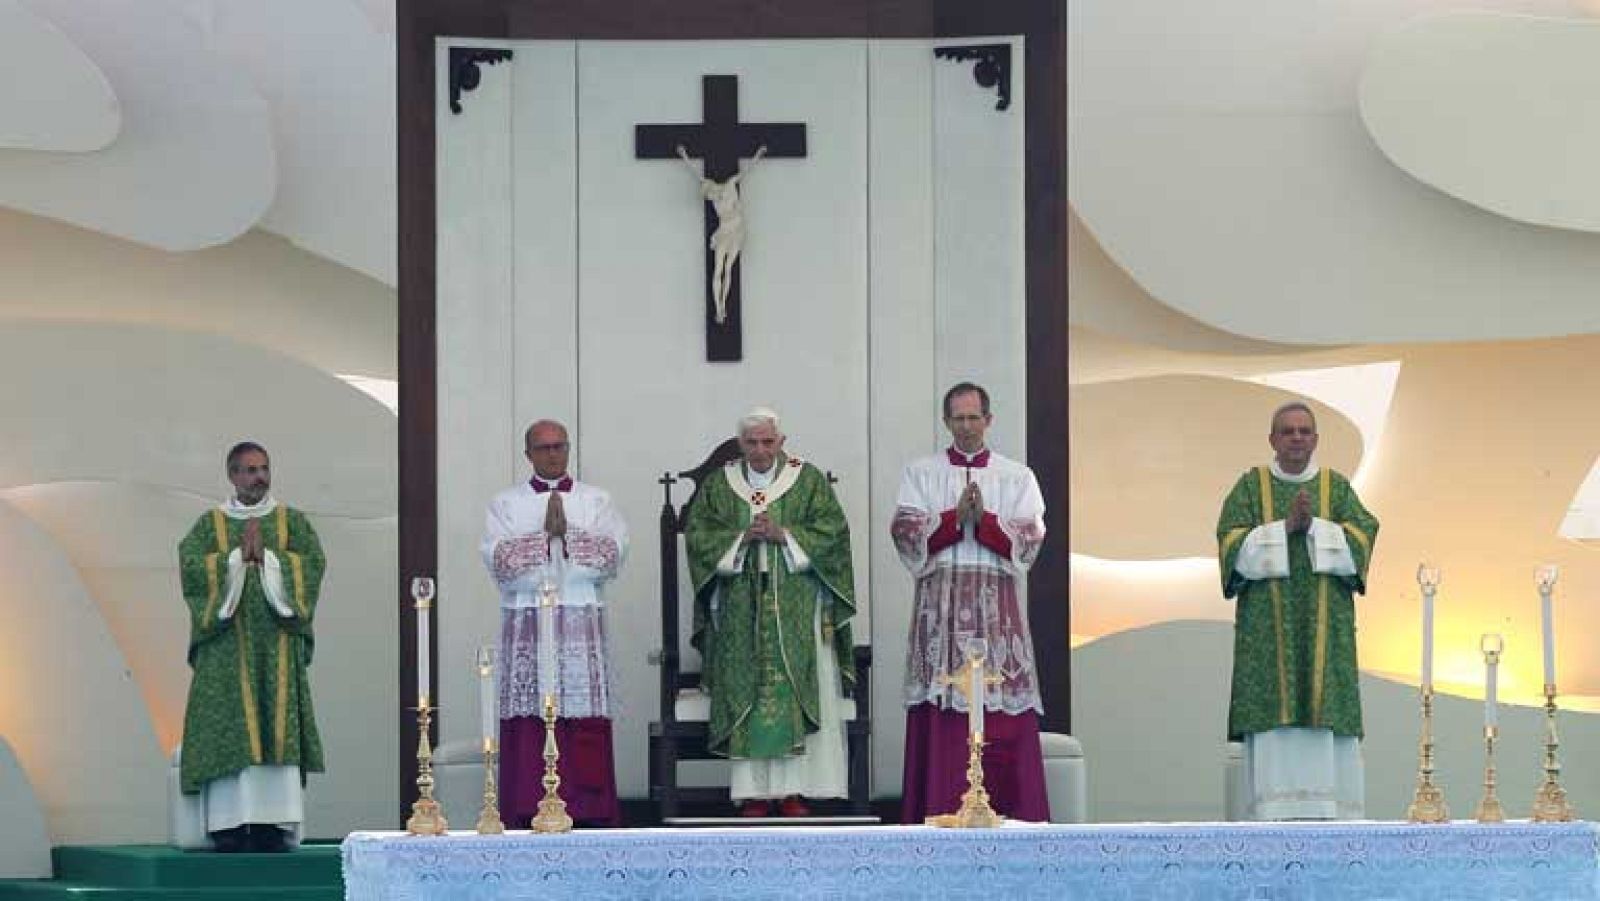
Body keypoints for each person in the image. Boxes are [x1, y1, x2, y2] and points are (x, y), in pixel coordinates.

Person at [684, 407, 855, 817]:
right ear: (739, 444)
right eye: (751, 443)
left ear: (781, 441)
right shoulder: (720, 485)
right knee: (751, 688)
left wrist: (786, 535)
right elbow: (699, 536)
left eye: (767, 442)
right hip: (740, 608)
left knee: (794, 689)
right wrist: (740, 538)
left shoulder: (808, 480)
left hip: (797, 607)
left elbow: (834, 533)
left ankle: (796, 791)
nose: (760, 451)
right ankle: (755, 794)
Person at [891, 382, 1048, 823]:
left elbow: (1030, 541)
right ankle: (938, 807)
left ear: (989, 420)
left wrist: (987, 523)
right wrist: (951, 520)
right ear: (946, 422)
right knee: (943, 704)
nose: (966, 427)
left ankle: (1010, 813)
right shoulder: (921, 473)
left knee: (998, 704)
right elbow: (905, 533)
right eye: (958, 418)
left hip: (995, 611)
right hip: (939, 609)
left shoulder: (1016, 476)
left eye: (973, 417)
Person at [1216, 401, 1379, 820]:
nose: (1296, 439)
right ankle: (1273, 814)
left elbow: (1362, 538)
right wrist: (1283, 529)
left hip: (1327, 638)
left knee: (1325, 718)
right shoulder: (1251, 489)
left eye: (1304, 431)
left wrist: (1316, 529)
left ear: (1316, 439)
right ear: (1272, 439)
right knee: (1275, 727)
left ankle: (1331, 813)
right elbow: (1230, 546)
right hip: (1267, 641)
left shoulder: (1336, 488)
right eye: (1287, 431)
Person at [176, 441, 325, 852]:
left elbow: (312, 563)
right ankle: (228, 824)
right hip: (227, 648)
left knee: (272, 726)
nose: (259, 477)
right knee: (232, 727)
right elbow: (191, 566)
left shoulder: (291, 521)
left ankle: (272, 824)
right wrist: (234, 559)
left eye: (264, 468)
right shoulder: (210, 525)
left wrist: (273, 561)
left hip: (276, 645)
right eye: (249, 470)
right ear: (232, 475)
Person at [481, 420, 628, 827]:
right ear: (527, 454)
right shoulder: (505, 503)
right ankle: (528, 807)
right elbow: (500, 562)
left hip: (580, 621)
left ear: (568, 450)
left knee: (582, 714)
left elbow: (612, 555)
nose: (552, 454)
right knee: (531, 714)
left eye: (559, 446)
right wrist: (545, 539)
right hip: (529, 619)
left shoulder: (596, 501)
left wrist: (570, 535)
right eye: (543, 447)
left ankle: (588, 810)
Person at [676, 143, 766, 324]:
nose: (712, 199)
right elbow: (695, 173)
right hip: (723, 232)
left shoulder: (730, 184)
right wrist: (684, 155)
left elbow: (746, 171)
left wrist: (758, 155)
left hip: (736, 230)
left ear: (712, 189)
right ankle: (719, 307)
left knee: (728, 269)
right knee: (718, 270)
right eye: (709, 198)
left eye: (710, 196)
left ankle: (723, 303)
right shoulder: (712, 197)